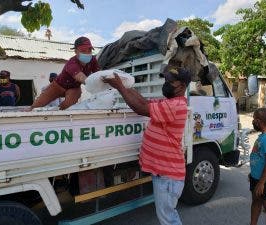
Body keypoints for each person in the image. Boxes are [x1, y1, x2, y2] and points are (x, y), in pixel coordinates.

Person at [103, 67, 191, 225]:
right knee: (166, 216)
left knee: (168, 219)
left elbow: (140, 108)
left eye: (170, 82)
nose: (166, 84)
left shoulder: (176, 105)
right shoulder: (169, 102)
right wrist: (127, 86)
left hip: (167, 176)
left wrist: (120, 87)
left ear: (182, 86)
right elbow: (144, 102)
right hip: (165, 175)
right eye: (165, 81)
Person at [28, 36, 100, 110]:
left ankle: (59, 113)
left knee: (67, 107)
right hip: (58, 86)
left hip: (74, 88)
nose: (87, 53)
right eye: (83, 51)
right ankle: (28, 111)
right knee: (36, 105)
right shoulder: (72, 63)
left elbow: (98, 74)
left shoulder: (93, 60)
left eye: (89, 50)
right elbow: (82, 78)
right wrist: (98, 83)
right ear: (76, 52)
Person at [249, 108, 266, 225]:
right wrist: (253, 174)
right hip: (257, 178)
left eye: (254, 119)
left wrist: (261, 183)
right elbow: (259, 157)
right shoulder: (263, 136)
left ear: (259, 121)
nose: (253, 121)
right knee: (256, 202)